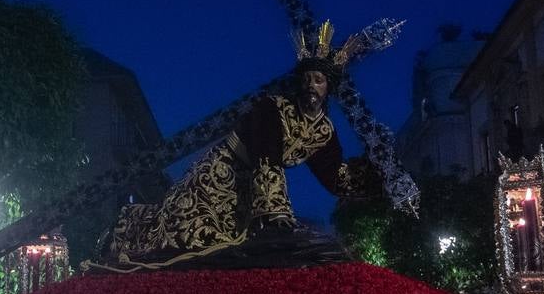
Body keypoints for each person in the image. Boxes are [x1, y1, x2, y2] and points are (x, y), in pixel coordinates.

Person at [98, 22, 375, 271]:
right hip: (221, 173)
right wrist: (276, 214)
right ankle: (127, 229)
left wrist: (376, 174)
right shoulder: (272, 108)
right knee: (185, 233)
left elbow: (336, 175)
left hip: (254, 190)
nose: (310, 86)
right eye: (306, 79)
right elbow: (267, 158)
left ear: (328, 87)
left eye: (318, 80)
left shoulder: (324, 131)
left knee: (232, 247)